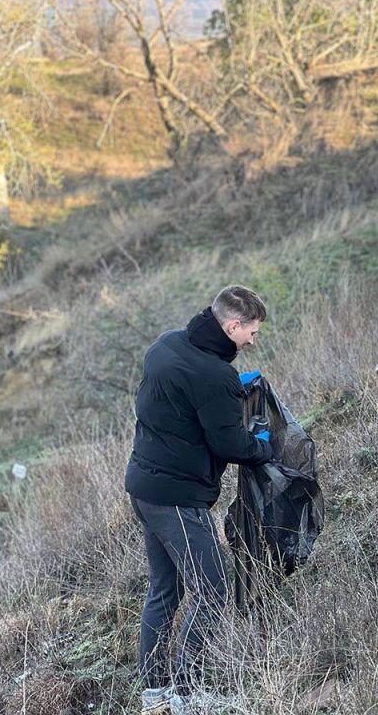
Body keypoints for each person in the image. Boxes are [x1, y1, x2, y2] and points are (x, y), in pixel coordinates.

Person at [125, 285, 274, 714]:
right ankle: (188, 694)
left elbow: (182, 404)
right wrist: (264, 445)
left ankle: (155, 695)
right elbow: (232, 445)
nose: (253, 340)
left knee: (164, 590)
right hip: (176, 499)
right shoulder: (214, 376)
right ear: (232, 326)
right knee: (213, 589)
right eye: (252, 332)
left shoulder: (167, 343)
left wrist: (227, 397)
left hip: (143, 487)